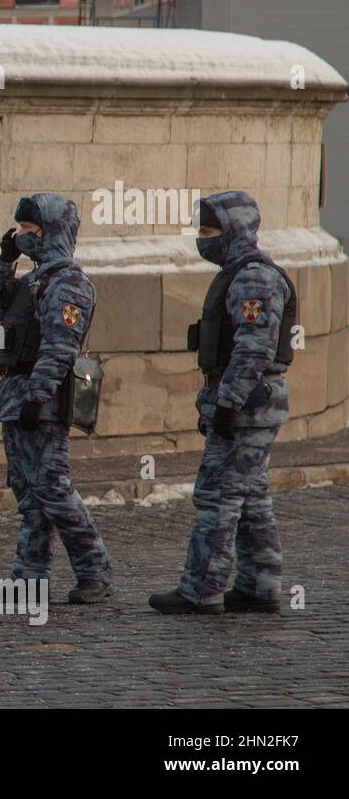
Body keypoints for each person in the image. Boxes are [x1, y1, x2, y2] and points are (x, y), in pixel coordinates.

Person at [150, 191, 295, 615]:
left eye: (210, 230)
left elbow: (254, 348)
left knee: (217, 496)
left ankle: (201, 590)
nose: (203, 238)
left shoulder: (252, 278)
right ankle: (259, 585)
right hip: (251, 400)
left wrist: (227, 404)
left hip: (247, 403)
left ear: (233, 231)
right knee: (250, 497)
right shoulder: (242, 272)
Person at [0, 193, 114, 604]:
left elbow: (59, 348)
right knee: (29, 495)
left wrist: (37, 397)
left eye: (29, 230)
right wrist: (3, 261)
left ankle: (95, 571)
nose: (21, 236)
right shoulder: (30, 282)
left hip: (43, 401)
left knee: (53, 489)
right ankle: (27, 580)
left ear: (52, 233)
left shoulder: (68, 283)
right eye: (18, 230)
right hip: (16, 397)